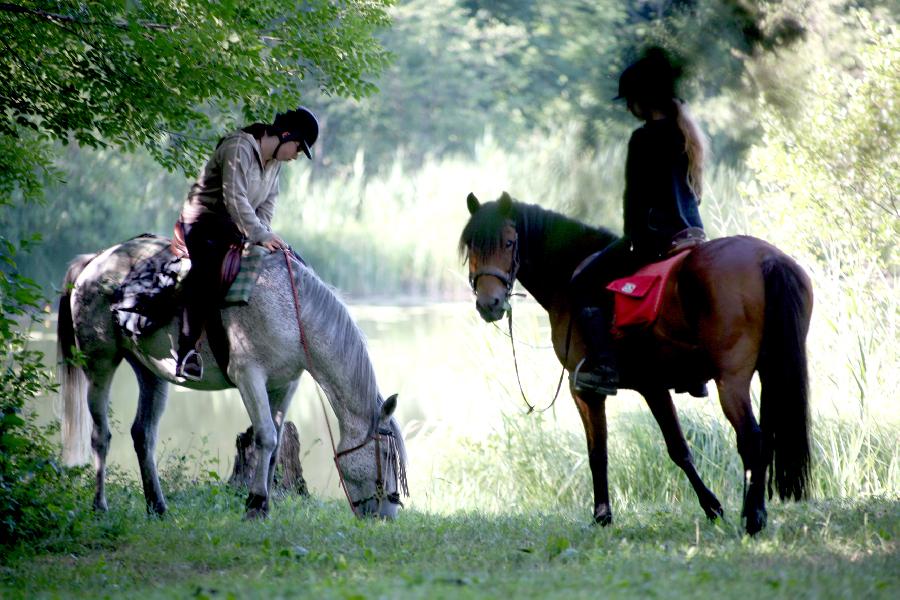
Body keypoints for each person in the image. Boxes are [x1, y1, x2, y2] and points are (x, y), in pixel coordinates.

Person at [569, 48, 707, 395]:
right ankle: (693, 374)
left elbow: (634, 201)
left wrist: (630, 240)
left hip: (655, 239)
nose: (629, 107)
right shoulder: (684, 133)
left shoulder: (643, 138)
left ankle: (604, 368)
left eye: (630, 100)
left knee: (583, 282)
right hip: (692, 235)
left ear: (642, 100)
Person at [174, 107, 319, 381]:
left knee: (288, 260)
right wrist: (260, 235)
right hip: (204, 219)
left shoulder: (275, 164)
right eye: (298, 147)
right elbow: (235, 199)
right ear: (286, 134)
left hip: (237, 225)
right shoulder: (238, 147)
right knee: (207, 271)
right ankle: (186, 352)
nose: (296, 155)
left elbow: (266, 207)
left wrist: (265, 236)